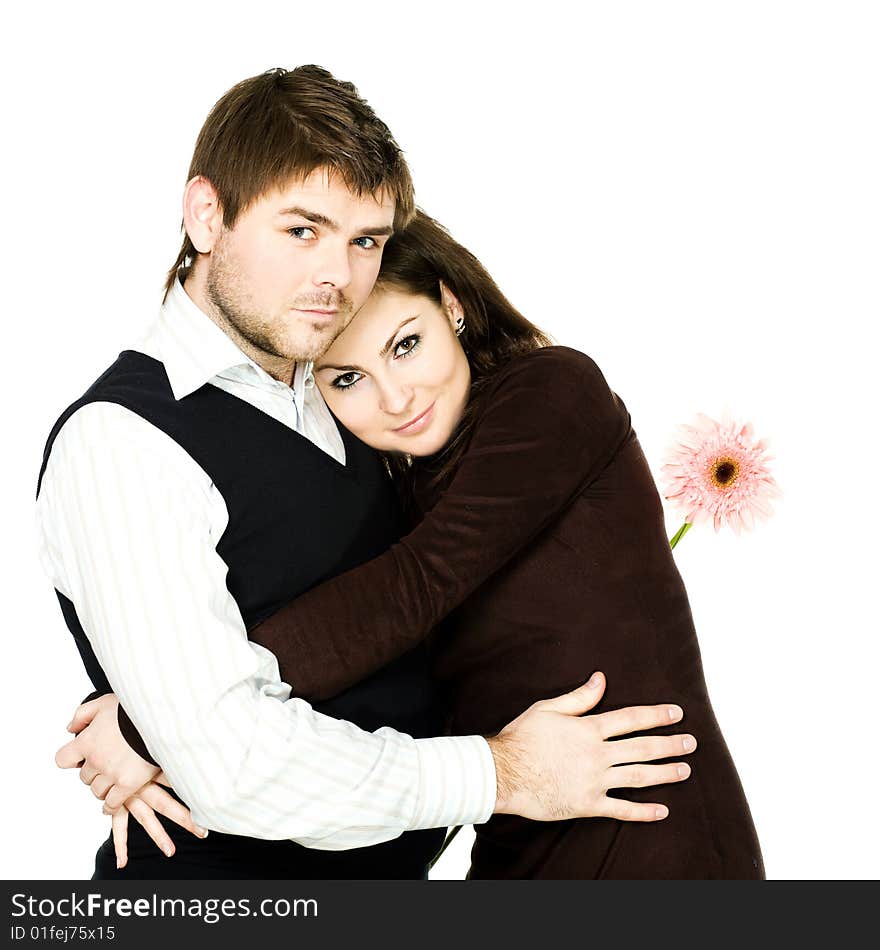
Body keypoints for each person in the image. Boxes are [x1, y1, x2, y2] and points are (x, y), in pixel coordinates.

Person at [40, 65, 696, 880]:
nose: (339, 276)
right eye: (302, 230)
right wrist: (503, 774)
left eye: (366, 240)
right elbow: (233, 762)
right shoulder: (122, 442)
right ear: (207, 215)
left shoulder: (344, 394)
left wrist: (141, 726)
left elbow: (415, 607)